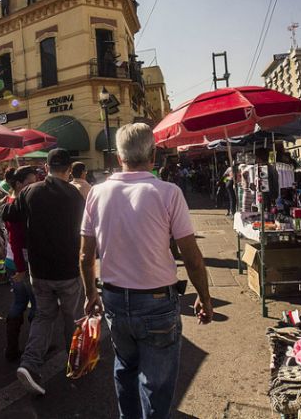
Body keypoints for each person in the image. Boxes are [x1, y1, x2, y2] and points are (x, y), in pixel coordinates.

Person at [79, 123, 213, 419]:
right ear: (153, 155)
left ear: (119, 158)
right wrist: (204, 295)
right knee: (157, 383)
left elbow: (86, 255)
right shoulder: (168, 192)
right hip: (156, 303)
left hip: (114, 298)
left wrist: (91, 293)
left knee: (125, 369)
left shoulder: (96, 193)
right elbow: (191, 255)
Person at [2, 148, 86, 395]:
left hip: (38, 270)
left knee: (44, 317)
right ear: (69, 170)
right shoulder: (75, 194)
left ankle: (29, 363)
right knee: (73, 317)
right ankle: (76, 361)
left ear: (47, 168)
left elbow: (7, 213)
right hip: (69, 268)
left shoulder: (30, 191)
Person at [1, 166, 39, 361]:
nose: (34, 186)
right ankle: (34, 350)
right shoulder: (17, 204)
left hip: (14, 261)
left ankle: (13, 348)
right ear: (18, 184)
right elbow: (16, 240)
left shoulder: (12, 200)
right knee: (36, 306)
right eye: (30, 183)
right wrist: (22, 269)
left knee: (20, 303)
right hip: (21, 263)